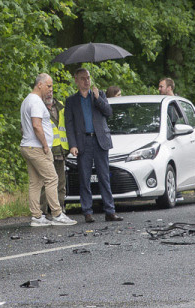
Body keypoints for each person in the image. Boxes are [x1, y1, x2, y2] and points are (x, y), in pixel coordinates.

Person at [64, 68, 122, 222]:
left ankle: (110, 211)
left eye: (88, 77)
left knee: (104, 177)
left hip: (100, 140)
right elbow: (69, 125)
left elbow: (108, 112)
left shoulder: (99, 95)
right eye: (83, 78)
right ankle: (87, 212)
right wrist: (72, 145)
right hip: (83, 142)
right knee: (85, 177)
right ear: (76, 80)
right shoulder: (71, 101)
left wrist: (98, 98)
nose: (86, 81)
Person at [19, 74, 76, 227]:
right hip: (37, 147)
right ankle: (57, 214)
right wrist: (45, 145)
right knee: (52, 179)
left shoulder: (27, 100)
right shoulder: (36, 102)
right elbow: (37, 125)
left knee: (35, 182)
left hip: (27, 145)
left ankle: (37, 216)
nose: (50, 89)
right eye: (49, 86)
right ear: (40, 85)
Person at [47, 85, 69, 212]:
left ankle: (60, 209)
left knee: (61, 183)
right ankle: (44, 211)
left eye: (51, 91)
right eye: (47, 91)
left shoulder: (60, 106)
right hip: (47, 151)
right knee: (46, 183)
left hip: (60, 151)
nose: (50, 94)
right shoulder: (40, 107)